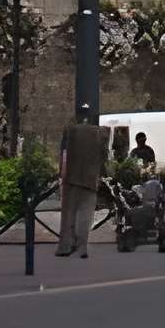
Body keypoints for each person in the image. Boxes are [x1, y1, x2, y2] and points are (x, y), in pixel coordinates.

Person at [56, 104, 107, 258]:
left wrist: (61, 173)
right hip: (90, 178)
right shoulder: (100, 133)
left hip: (71, 176)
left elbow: (63, 154)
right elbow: (104, 157)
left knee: (69, 212)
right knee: (85, 213)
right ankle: (82, 247)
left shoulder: (70, 131)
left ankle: (66, 245)